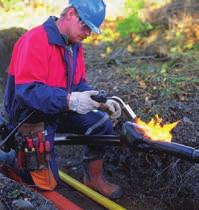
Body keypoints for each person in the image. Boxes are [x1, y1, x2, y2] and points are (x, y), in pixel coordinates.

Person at [4, 0, 123, 199]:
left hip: (58, 107)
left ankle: (93, 178)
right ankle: (14, 159)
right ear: (69, 13)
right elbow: (27, 92)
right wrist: (70, 101)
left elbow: (78, 84)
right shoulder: (35, 40)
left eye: (91, 30)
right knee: (47, 185)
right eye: (85, 25)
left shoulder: (74, 45)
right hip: (30, 116)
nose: (87, 33)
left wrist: (99, 101)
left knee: (101, 124)